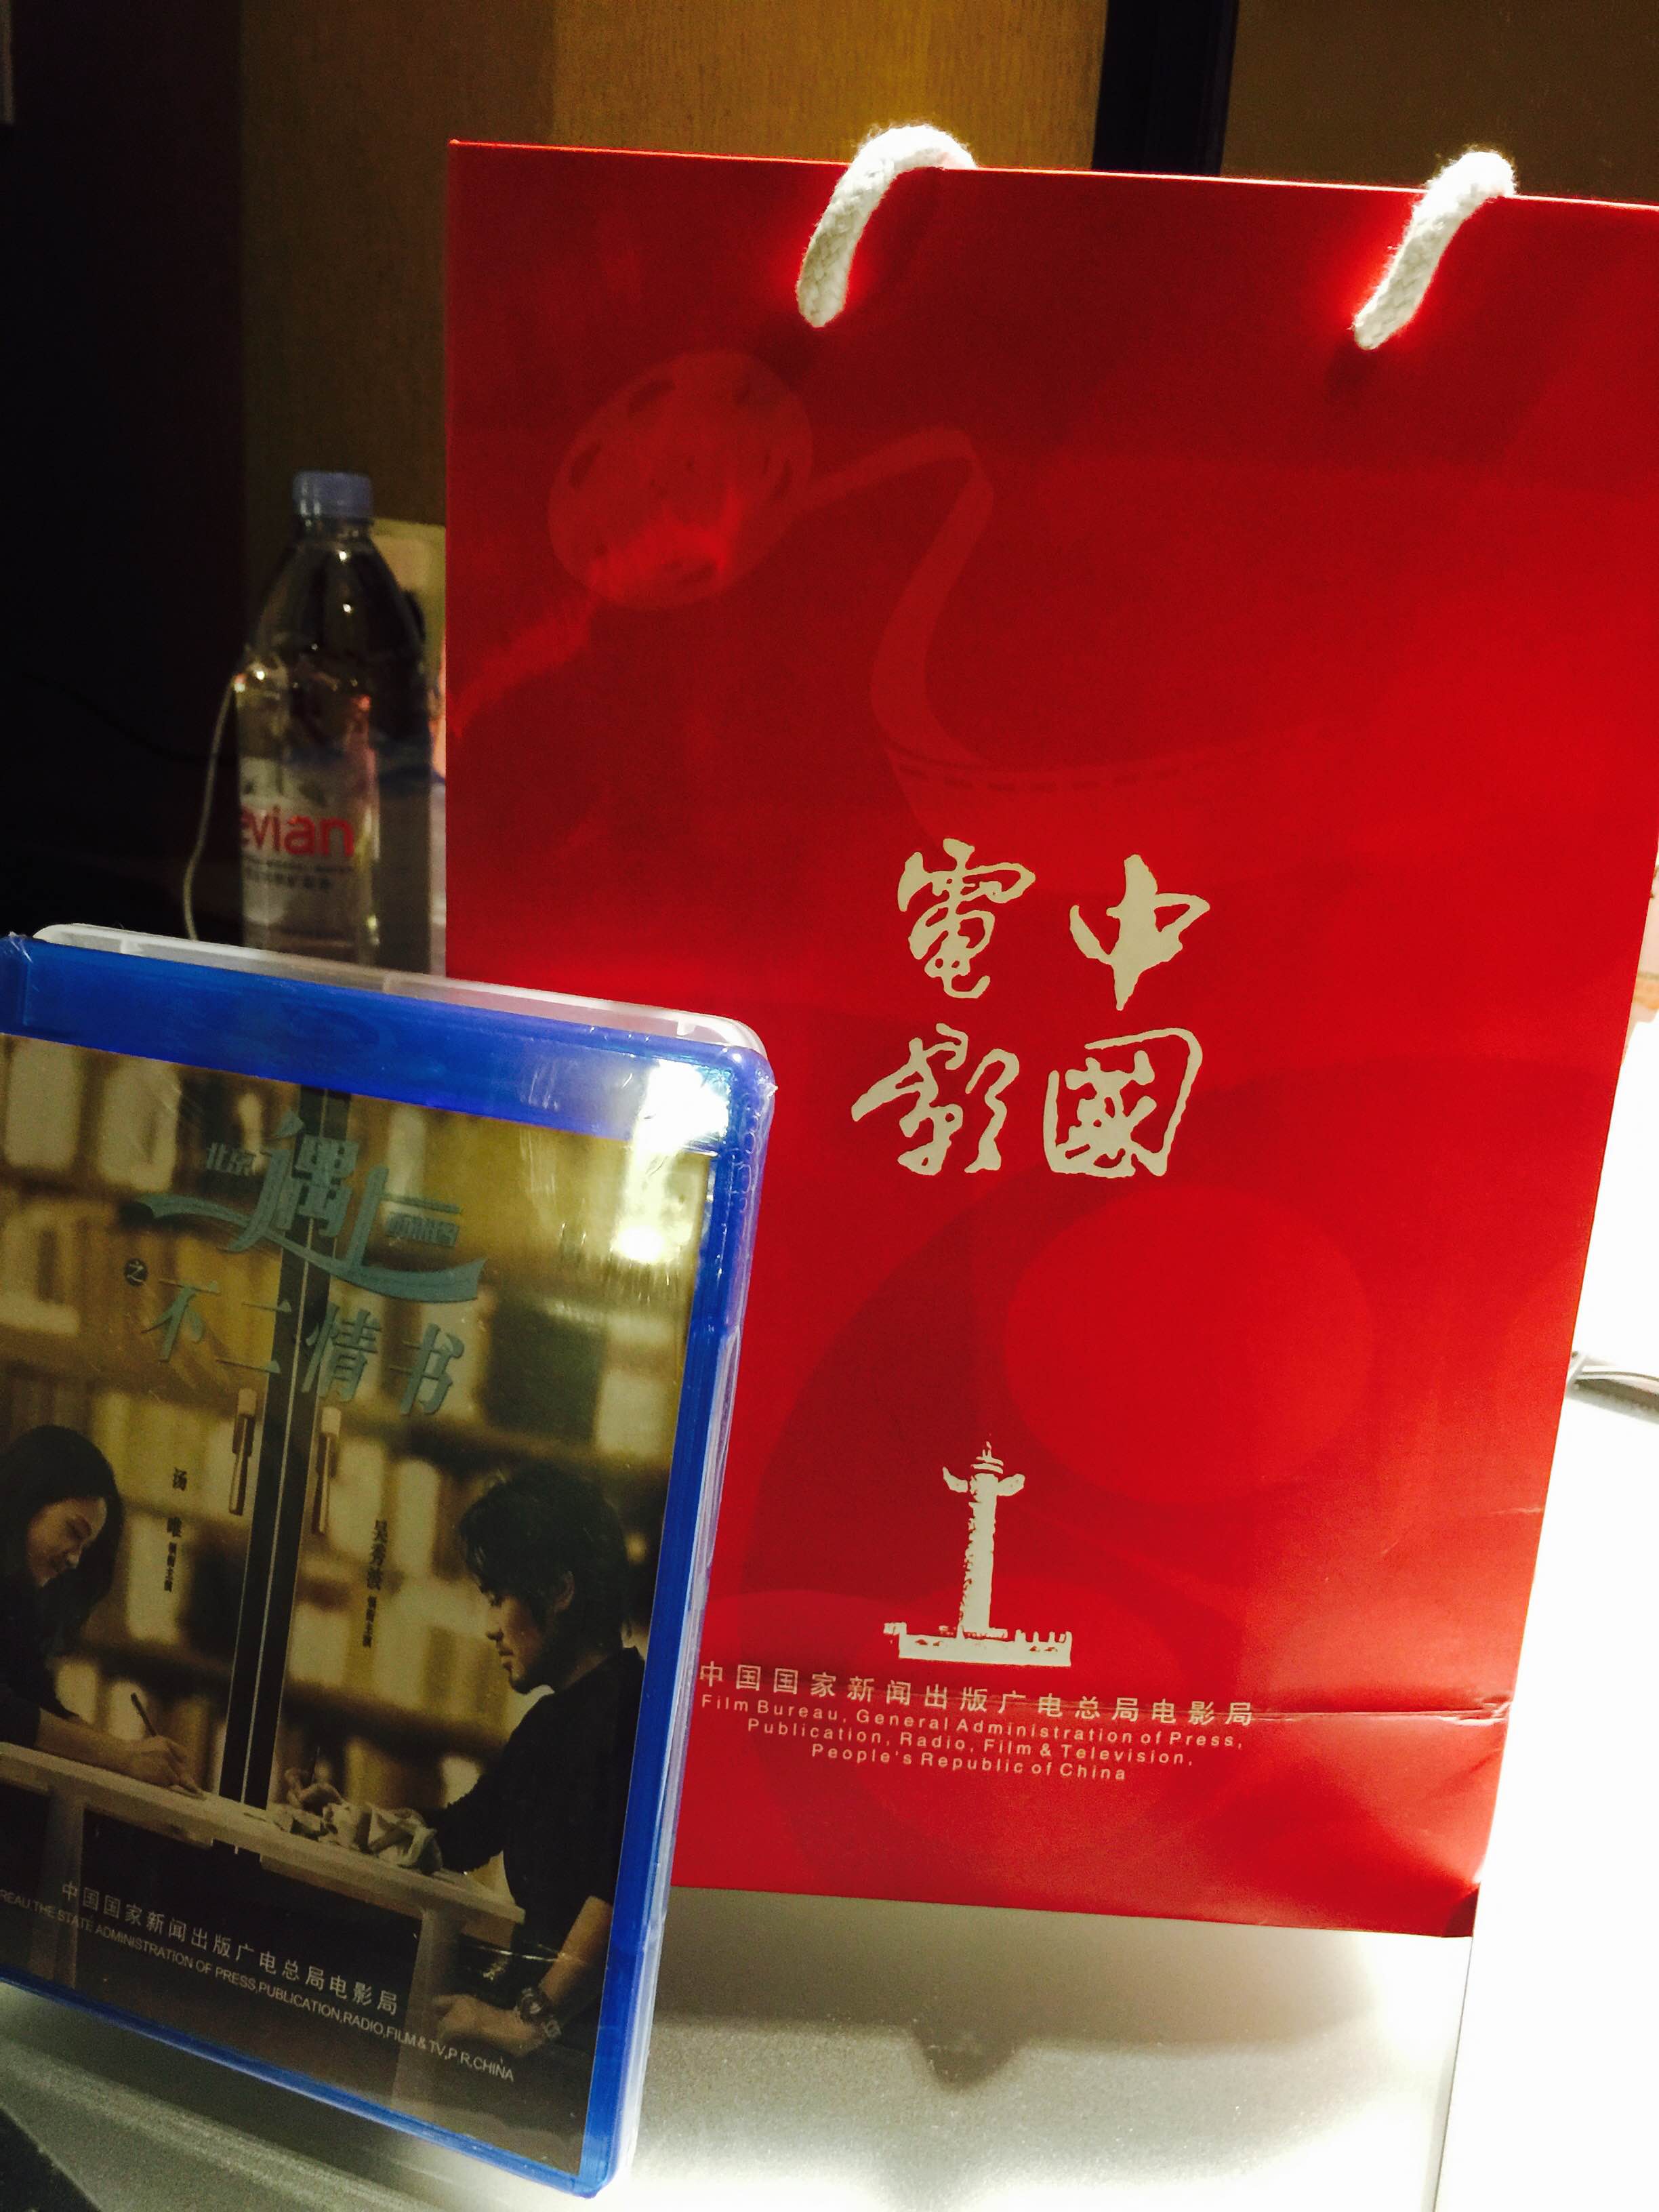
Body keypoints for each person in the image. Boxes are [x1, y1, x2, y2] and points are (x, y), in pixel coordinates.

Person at [290, 1463, 643, 2062]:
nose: (488, 1628)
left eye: (498, 1599)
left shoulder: (632, 1711)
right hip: (539, 2017)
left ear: (560, 1591)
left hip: (577, 2045)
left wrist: (527, 2023)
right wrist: (358, 1821)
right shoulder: (553, 1722)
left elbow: (620, 1893)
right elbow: (463, 1833)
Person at [0, 1425, 197, 1792]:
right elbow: (7, 1713)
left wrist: (138, 1755)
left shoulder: (15, 1596)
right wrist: (123, 1756)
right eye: (74, 1532)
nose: (75, 1560)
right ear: (28, 1501)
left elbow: (38, 1701)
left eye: (85, 1547)